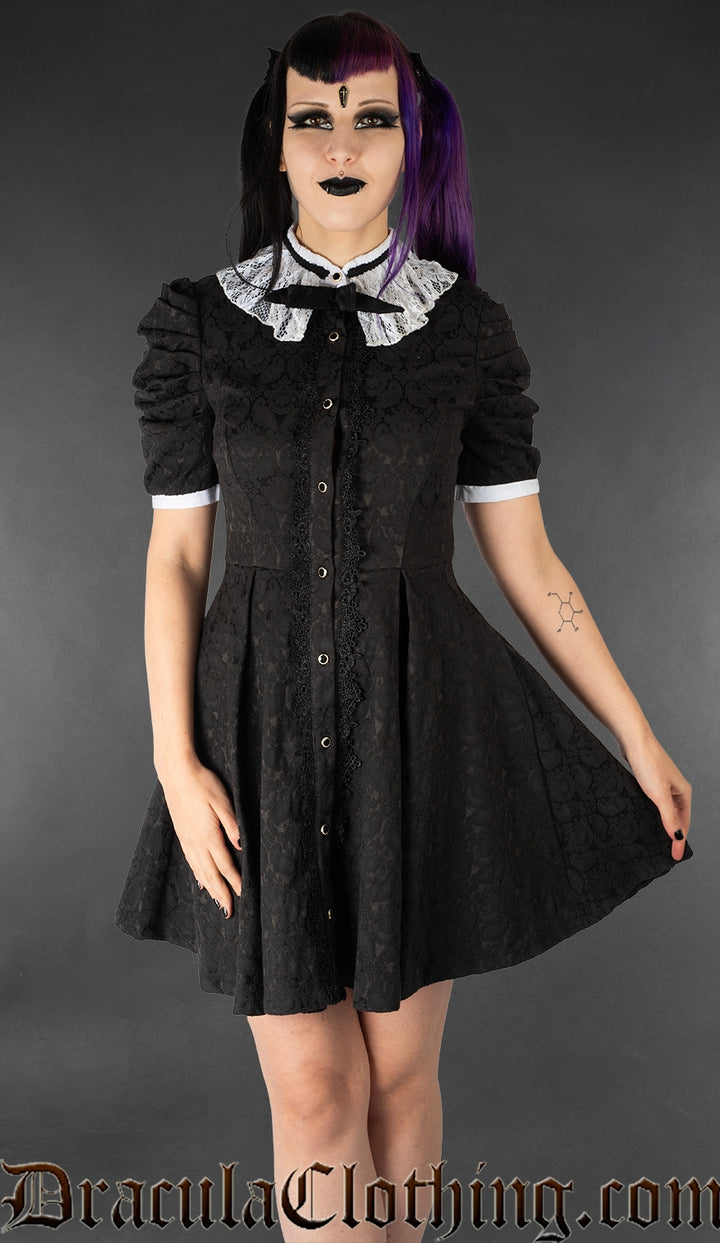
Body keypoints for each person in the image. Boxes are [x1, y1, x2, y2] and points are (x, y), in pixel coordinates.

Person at [115, 11, 693, 1241]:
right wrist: (174, 756)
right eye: (312, 118)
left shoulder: (467, 334)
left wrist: (635, 731)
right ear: (275, 142)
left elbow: (527, 558)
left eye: (371, 119)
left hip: (421, 729)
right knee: (316, 1089)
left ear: (412, 143)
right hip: (256, 732)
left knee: (397, 1080)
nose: (341, 146)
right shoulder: (199, 327)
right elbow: (176, 555)